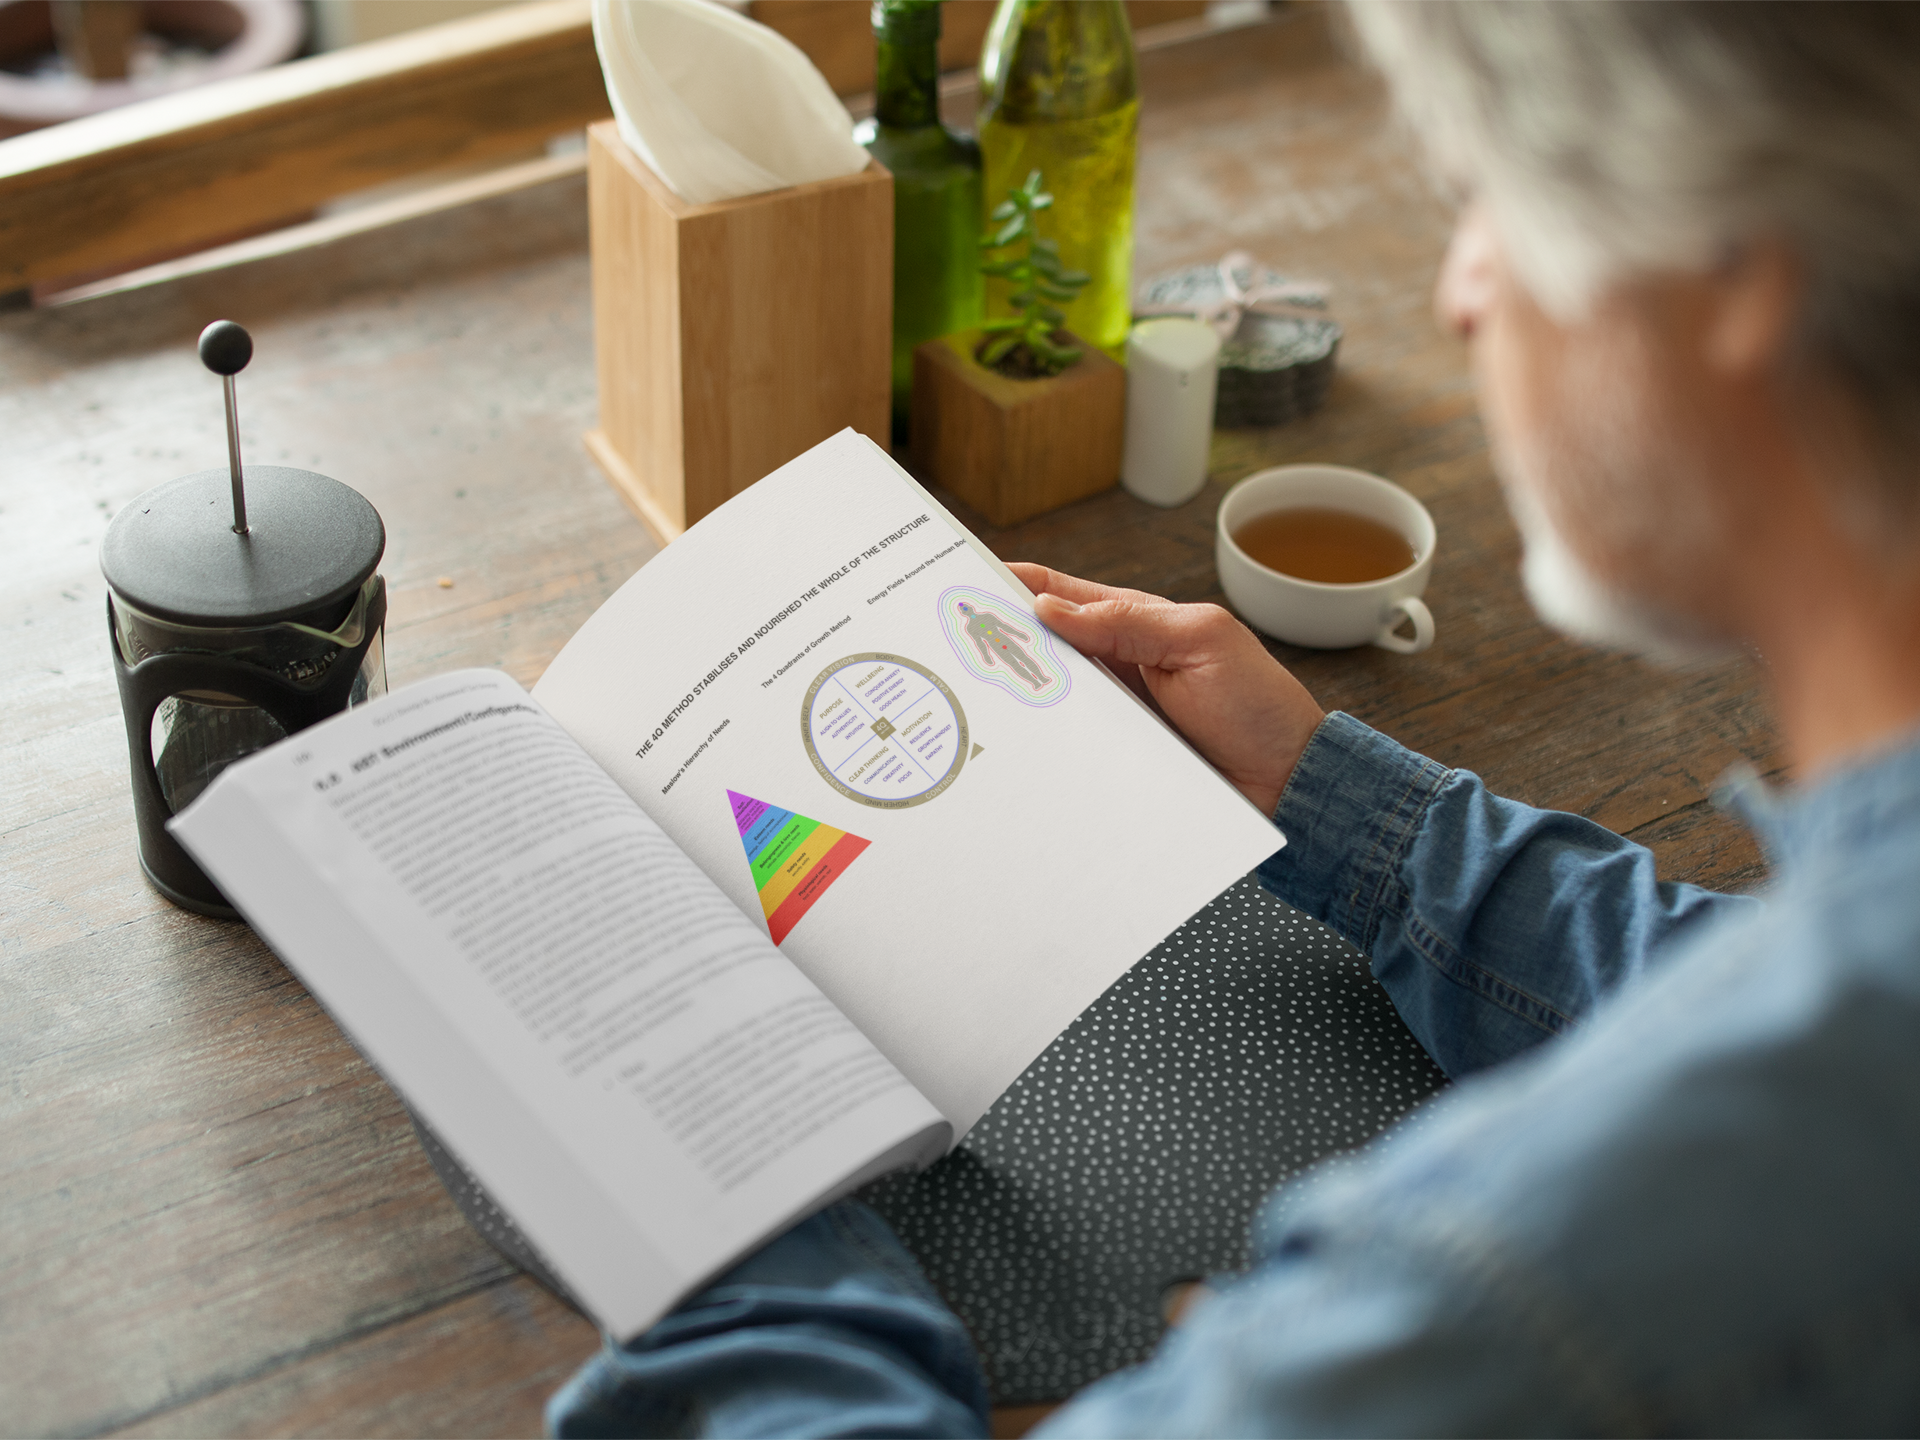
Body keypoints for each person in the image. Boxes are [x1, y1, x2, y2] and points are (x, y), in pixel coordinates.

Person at [549, 3, 1920, 1433]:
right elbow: (1756, 980)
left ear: (1739, 259)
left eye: (1486, 199)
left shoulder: (1507, 1286)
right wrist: (1350, 811)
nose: (1461, 292)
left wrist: (734, 1165)